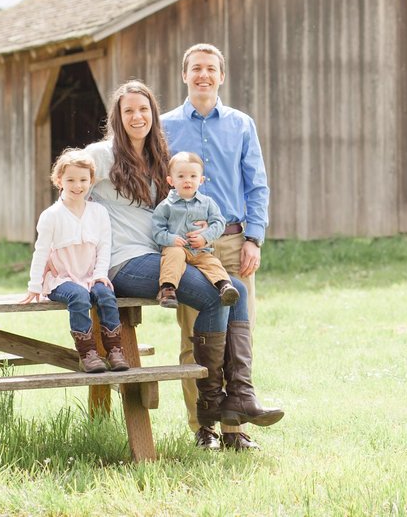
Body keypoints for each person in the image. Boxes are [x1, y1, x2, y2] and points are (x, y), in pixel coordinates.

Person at [86, 80, 282, 450]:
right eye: (128, 110)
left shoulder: (161, 158)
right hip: (124, 263)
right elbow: (69, 187)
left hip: (161, 257)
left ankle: (239, 394)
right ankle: (209, 410)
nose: (137, 116)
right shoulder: (101, 154)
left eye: (143, 109)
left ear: (153, 115)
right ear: (118, 116)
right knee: (213, 296)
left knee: (235, 290)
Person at [162, 43, 275, 452]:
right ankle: (202, 426)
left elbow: (256, 184)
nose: (203, 75)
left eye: (211, 68)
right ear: (184, 74)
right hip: (188, 248)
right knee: (196, 336)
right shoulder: (166, 126)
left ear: (221, 76)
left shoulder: (241, 124)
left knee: (236, 333)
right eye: (195, 68)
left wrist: (254, 238)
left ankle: (234, 429)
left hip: (232, 241)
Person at [20, 148, 128, 373]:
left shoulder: (98, 212)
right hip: (62, 279)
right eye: (70, 180)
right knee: (79, 297)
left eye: (83, 180)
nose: (77, 186)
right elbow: (40, 251)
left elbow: (104, 247)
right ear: (59, 180)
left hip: (90, 275)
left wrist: (100, 275)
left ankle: (115, 350)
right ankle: (88, 353)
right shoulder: (52, 215)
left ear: (92, 181)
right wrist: (34, 285)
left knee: (106, 295)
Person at [152, 151, 240, 309]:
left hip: (200, 250)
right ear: (171, 180)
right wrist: (171, 239)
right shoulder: (165, 206)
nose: (187, 180)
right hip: (177, 248)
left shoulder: (207, 203)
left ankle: (225, 286)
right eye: (181, 176)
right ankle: (167, 290)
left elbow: (219, 222)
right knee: (174, 255)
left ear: (201, 180)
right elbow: (157, 231)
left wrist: (205, 237)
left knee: (212, 263)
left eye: (193, 176)